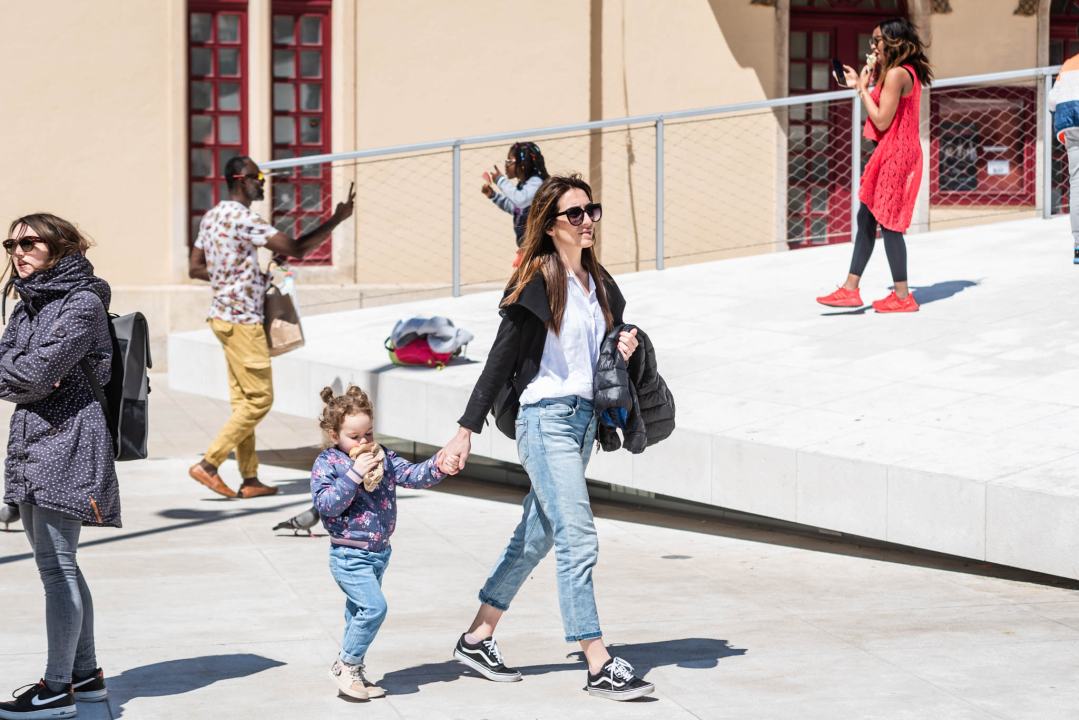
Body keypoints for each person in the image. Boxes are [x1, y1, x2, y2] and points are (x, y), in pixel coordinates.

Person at [438, 174, 654, 702]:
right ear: (550, 225)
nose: (587, 222)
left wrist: (623, 347)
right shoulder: (537, 285)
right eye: (574, 214)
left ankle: (477, 635)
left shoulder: (601, 284)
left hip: (582, 425)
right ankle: (597, 660)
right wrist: (465, 430)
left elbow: (604, 350)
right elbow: (500, 360)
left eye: (591, 211)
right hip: (545, 421)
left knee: (537, 536)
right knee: (578, 536)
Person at [0, 214, 116, 719]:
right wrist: (24, 377)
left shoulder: (82, 303)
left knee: (56, 567)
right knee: (60, 564)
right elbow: (16, 373)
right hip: (34, 440)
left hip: (68, 442)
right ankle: (85, 675)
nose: (17, 252)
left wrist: (27, 377)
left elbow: (30, 372)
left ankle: (57, 688)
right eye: (10, 243)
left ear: (59, 246)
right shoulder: (29, 305)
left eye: (28, 242)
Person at [188, 156, 355, 498]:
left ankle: (249, 479)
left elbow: (195, 267)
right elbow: (295, 248)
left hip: (221, 317)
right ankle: (208, 464)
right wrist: (337, 218)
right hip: (242, 321)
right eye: (257, 177)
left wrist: (237, 278)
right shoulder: (243, 217)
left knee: (244, 402)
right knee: (261, 399)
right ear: (240, 180)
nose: (262, 182)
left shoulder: (212, 216)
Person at [310, 385, 456, 700]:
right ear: (335, 436)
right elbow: (326, 505)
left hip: (379, 554)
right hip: (349, 555)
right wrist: (352, 475)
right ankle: (345, 664)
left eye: (368, 434)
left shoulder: (383, 458)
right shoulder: (328, 463)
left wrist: (439, 466)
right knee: (374, 608)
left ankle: (354, 673)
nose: (363, 442)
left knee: (357, 616)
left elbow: (413, 475)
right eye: (354, 436)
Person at [816, 17, 932, 313]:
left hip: (896, 152)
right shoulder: (897, 72)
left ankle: (903, 297)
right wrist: (863, 82)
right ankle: (850, 289)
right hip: (891, 150)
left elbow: (881, 119)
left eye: (876, 40)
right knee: (866, 218)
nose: (872, 46)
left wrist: (861, 89)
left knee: (889, 223)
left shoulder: (897, 74)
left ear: (893, 41)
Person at [482, 142, 549, 263]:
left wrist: (501, 180)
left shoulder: (536, 183)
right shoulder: (523, 185)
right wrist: (493, 196)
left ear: (522, 164)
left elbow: (520, 200)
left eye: (509, 160)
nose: (506, 165)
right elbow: (515, 207)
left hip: (541, 252)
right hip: (527, 251)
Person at [1047, 31, 1079, 264]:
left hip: (1071, 126)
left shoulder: (1069, 64)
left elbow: (1052, 100)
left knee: (1077, 183)